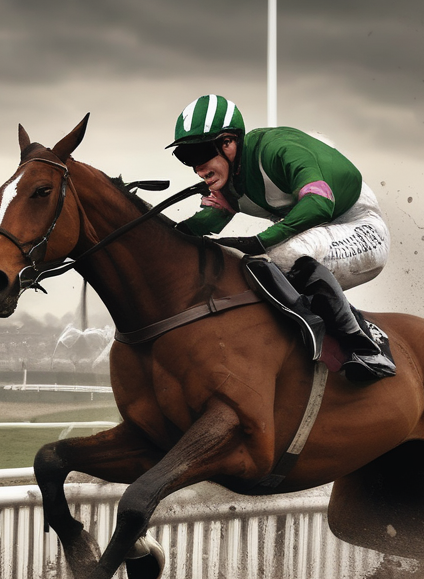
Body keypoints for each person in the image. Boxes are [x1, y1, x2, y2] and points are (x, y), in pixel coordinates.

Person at [168, 94, 395, 384]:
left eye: (200, 155)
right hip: (310, 231)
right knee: (258, 260)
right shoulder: (229, 175)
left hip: (360, 227)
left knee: (279, 257)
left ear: (229, 143)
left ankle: (367, 346)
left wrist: (259, 240)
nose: (197, 168)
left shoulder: (277, 150)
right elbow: (204, 224)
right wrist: (161, 236)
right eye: (186, 158)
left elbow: (319, 203)